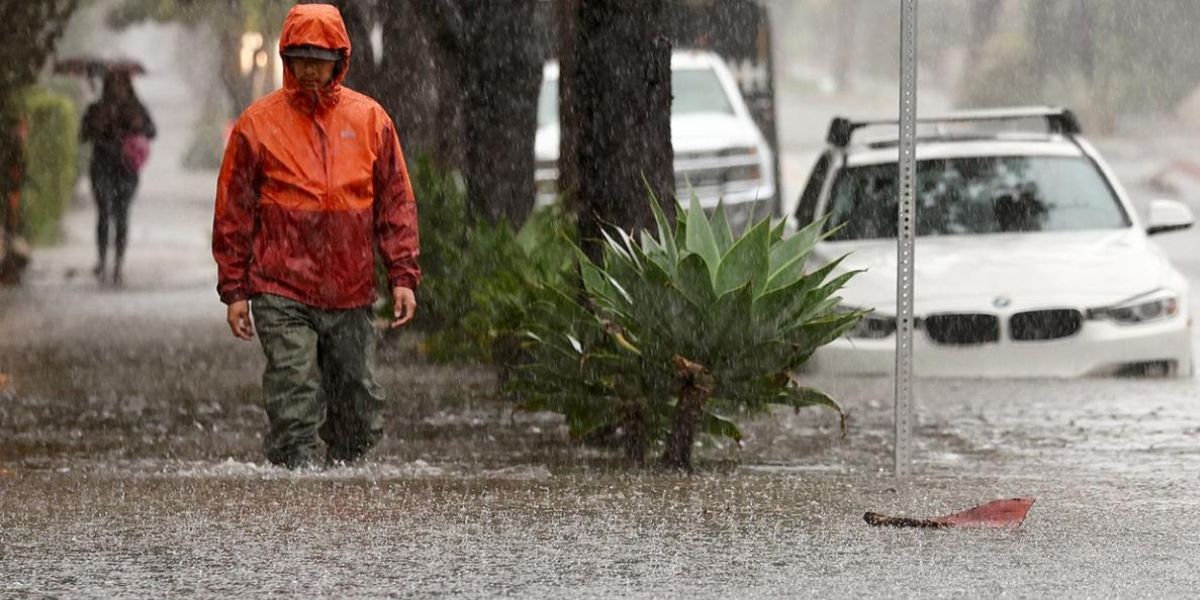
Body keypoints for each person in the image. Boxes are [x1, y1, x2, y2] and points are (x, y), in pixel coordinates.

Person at [212, 4, 420, 470]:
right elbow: (233, 211)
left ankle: (341, 475)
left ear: (339, 61)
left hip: (350, 290)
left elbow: (395, 202)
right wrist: (235, 291)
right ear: (286, 58)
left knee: (359, 407)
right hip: (279, 287)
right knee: (293, 397)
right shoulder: (257, 125)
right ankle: (297, 483)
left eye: (319, 59)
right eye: (301, 58)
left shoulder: (371, 121)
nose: (309, 69)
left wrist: (402, 274)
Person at [80, 70, 155, 285]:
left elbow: (151, 130)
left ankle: (118, 264)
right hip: (102, 167)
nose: (116, 88)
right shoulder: (97, 108)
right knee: (104, 212)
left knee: (121, 215)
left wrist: (137, 124)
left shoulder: (135, 108)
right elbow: (83, 134)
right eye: (112, 83)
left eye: (121, 83)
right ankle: (102, 261)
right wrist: (96, 125)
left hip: (126, 171)